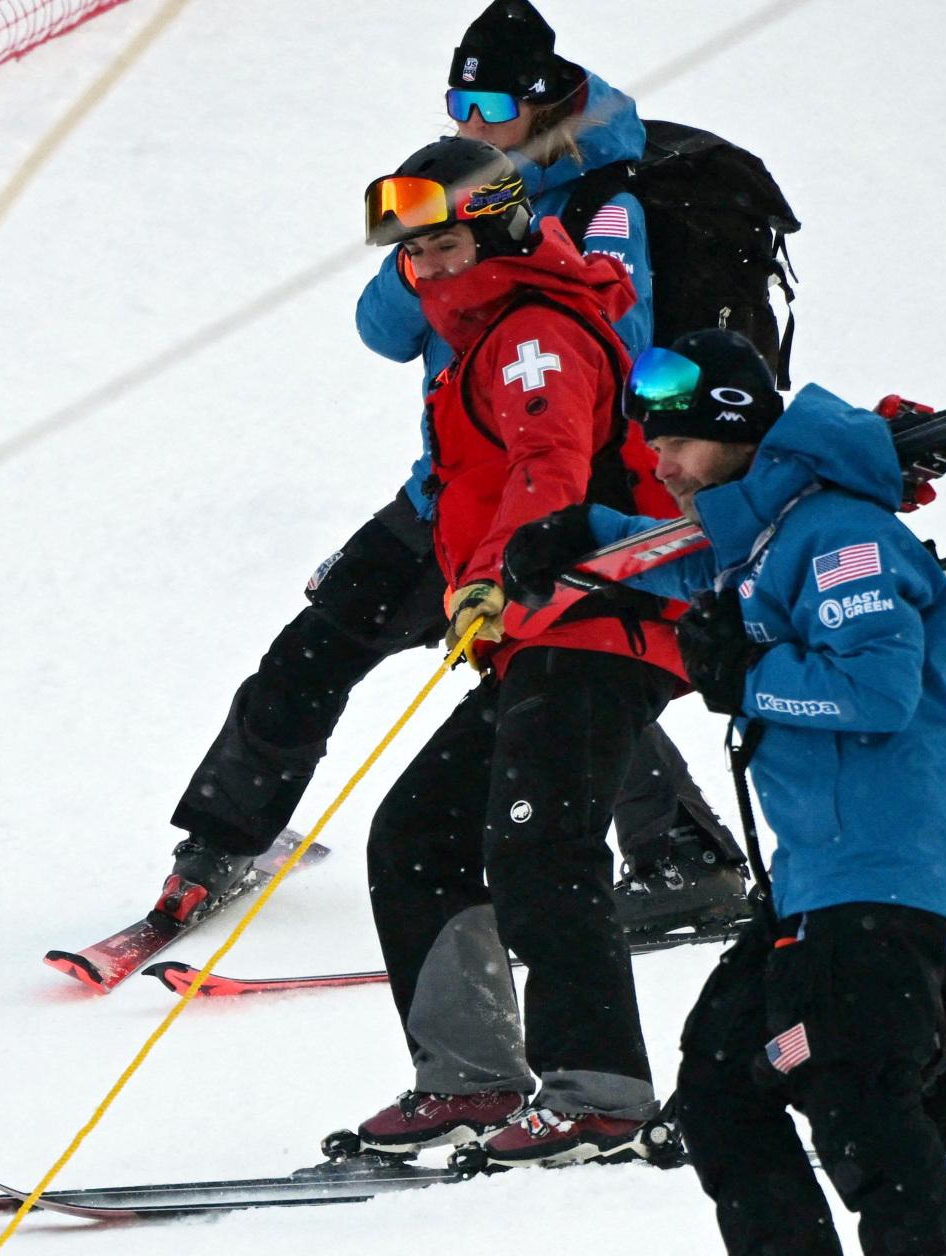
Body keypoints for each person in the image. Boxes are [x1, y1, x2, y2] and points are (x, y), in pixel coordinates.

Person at [506, 330, 946, 1256]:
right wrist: (575, 535)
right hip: (814, 876)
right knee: (724, 1081)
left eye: (682, 440)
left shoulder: (840, 536)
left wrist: (751, 675)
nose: (667, 461)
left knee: (859, 1097)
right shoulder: (765, 532)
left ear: (739, 426)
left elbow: (878, 693)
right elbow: (672, 556)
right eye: (656, 441)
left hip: (880, 869)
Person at [157, 0, 743, 943]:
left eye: (489, 102)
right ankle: (222, 842)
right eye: (456, 99)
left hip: (554, 501)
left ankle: (686, 862)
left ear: (544, 100)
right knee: (322, 642)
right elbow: (381, 332)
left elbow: (616, 346)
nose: (468, 121)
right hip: (446, 493)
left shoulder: (605, 205)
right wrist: (434, 241)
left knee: (565, 677)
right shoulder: (452, 192)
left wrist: (502, 255)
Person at [344, 138, 688, 1170]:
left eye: (444, 246)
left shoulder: (534, 329)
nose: (430, 272)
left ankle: (601, 1091)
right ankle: (471, 1078)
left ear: (493, 223)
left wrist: (495, 572)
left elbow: (551, 462)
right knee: (418, 831)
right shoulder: (485, 331)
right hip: (536, 631)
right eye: (414, 258)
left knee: (542, 842)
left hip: (597, 620)